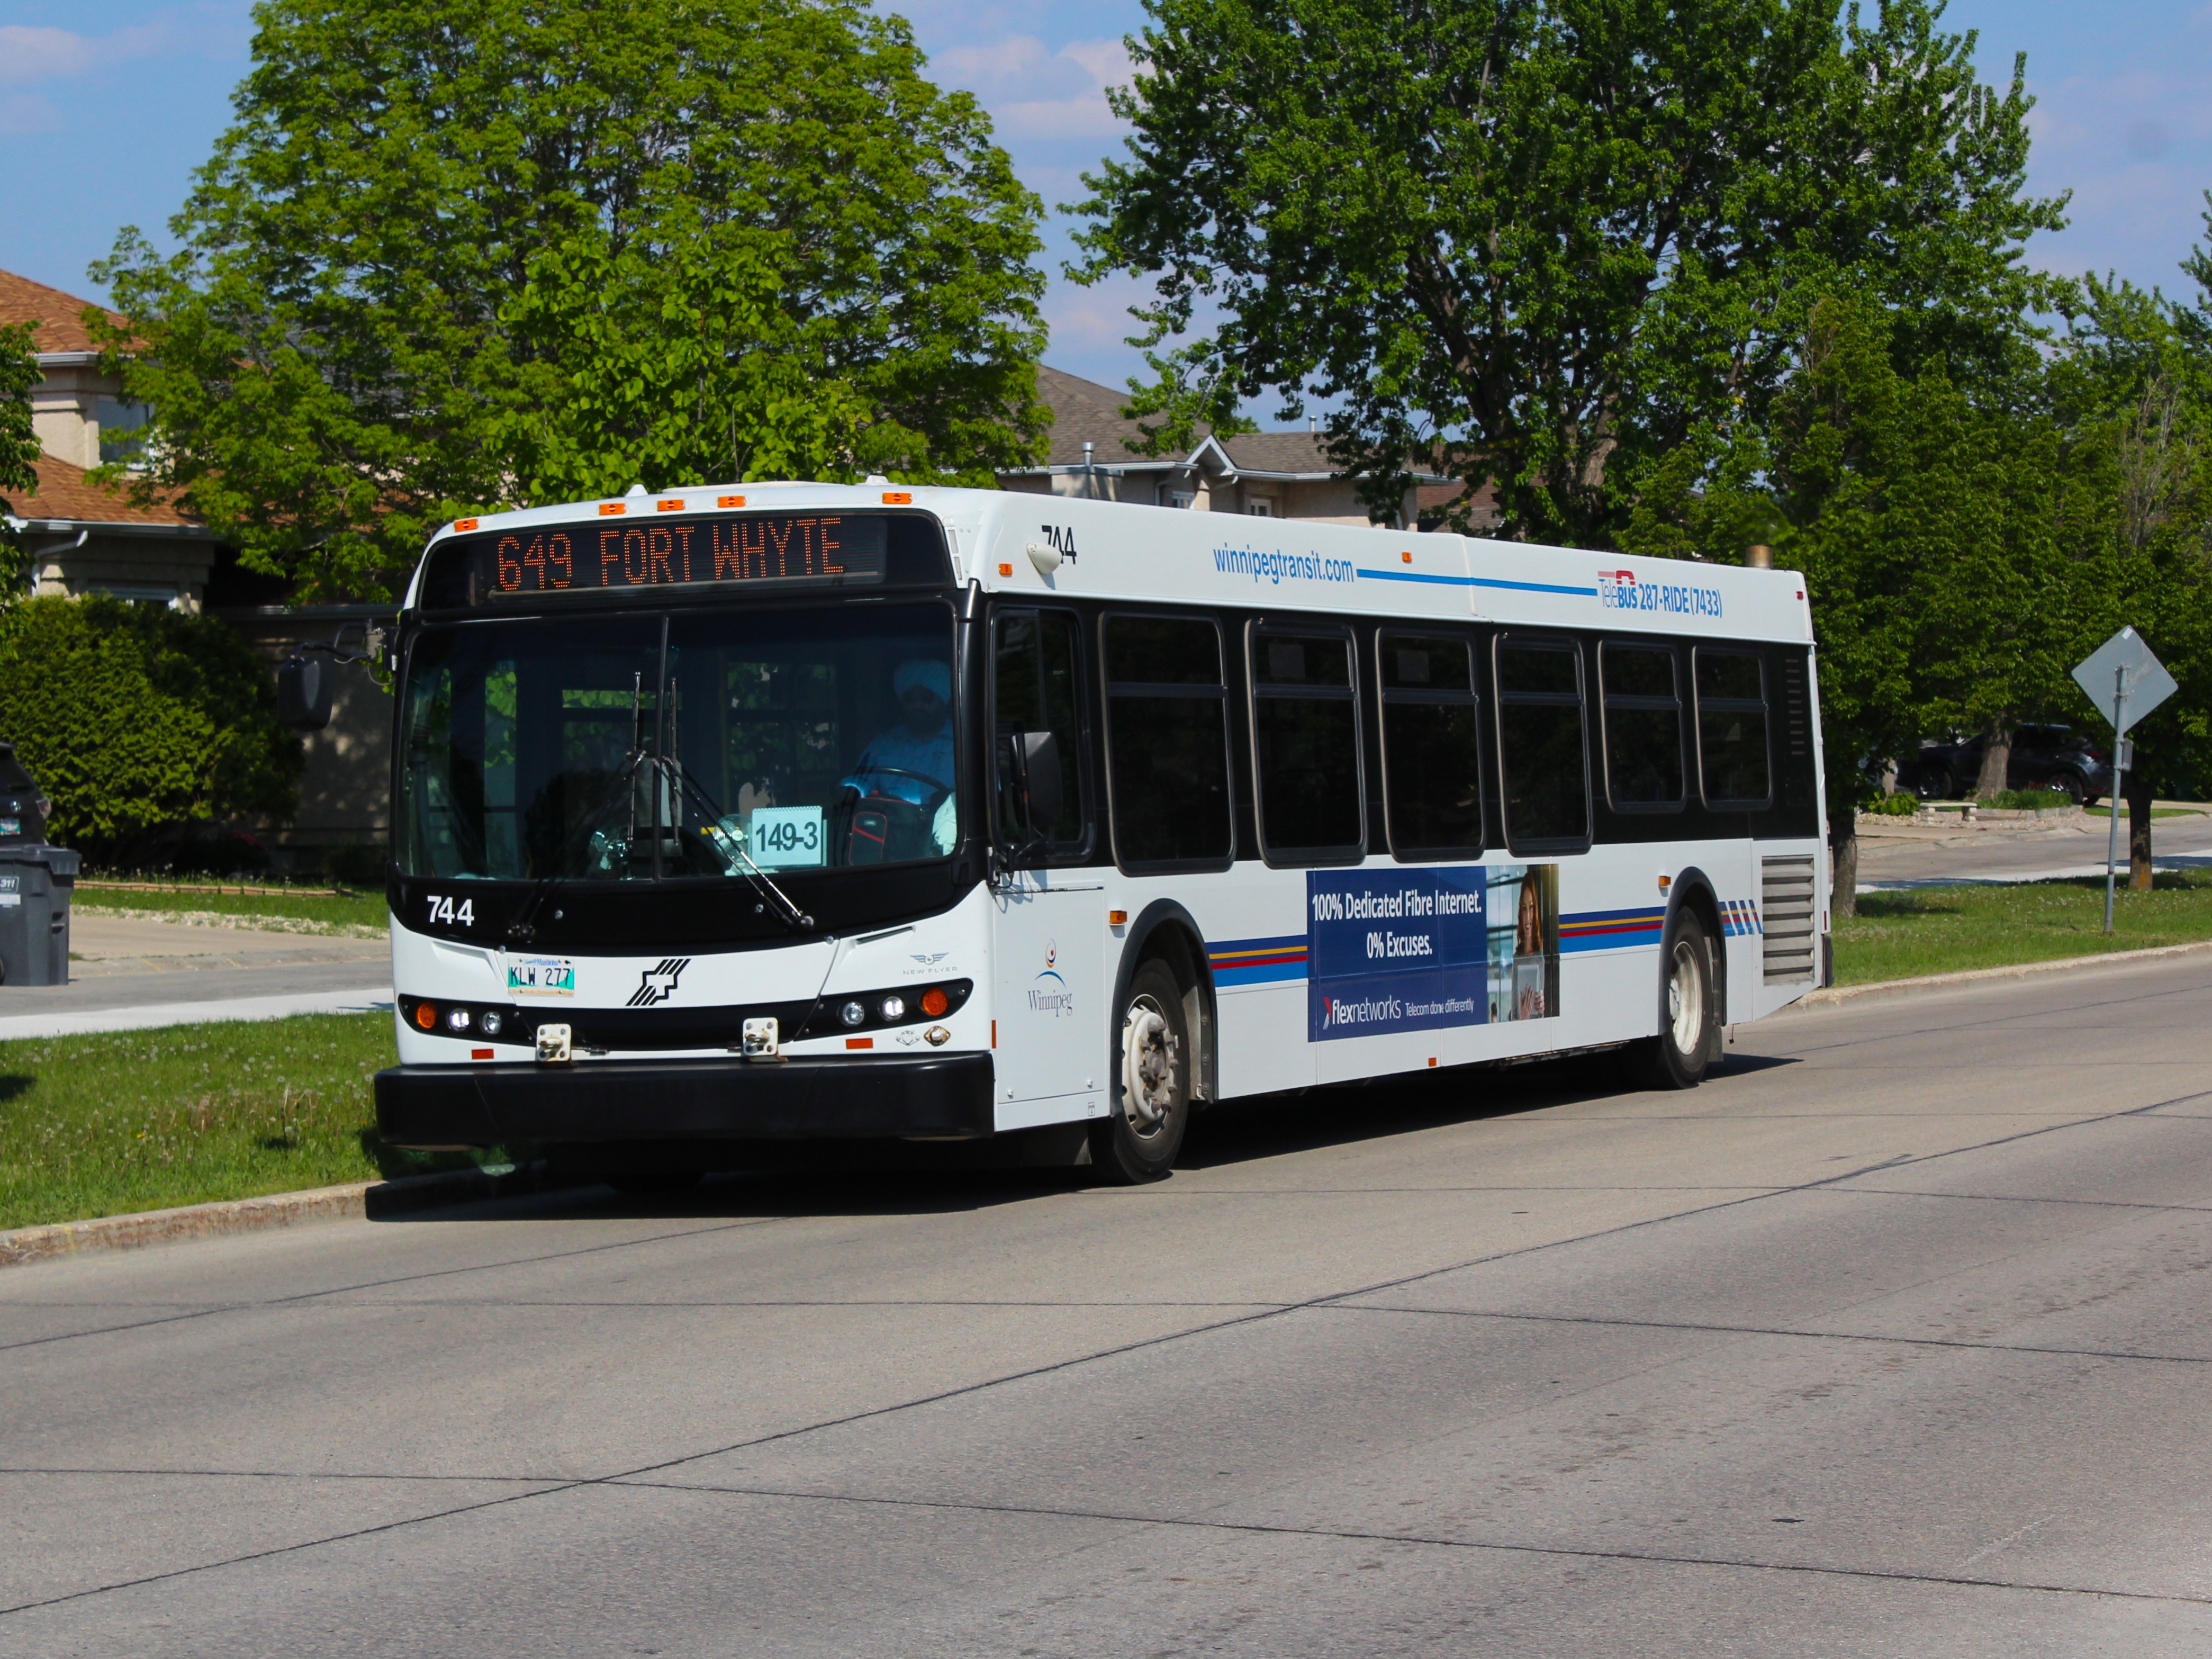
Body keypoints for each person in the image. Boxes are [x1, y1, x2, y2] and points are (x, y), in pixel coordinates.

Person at [845, 657, 958, 853]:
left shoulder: (963, 743)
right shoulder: (884, 744)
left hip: (944, 844)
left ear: (944, 700)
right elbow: (860, 782)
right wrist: (852, 791)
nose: (918, 705)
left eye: (927, 698)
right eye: (910, 699)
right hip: (888, 840)